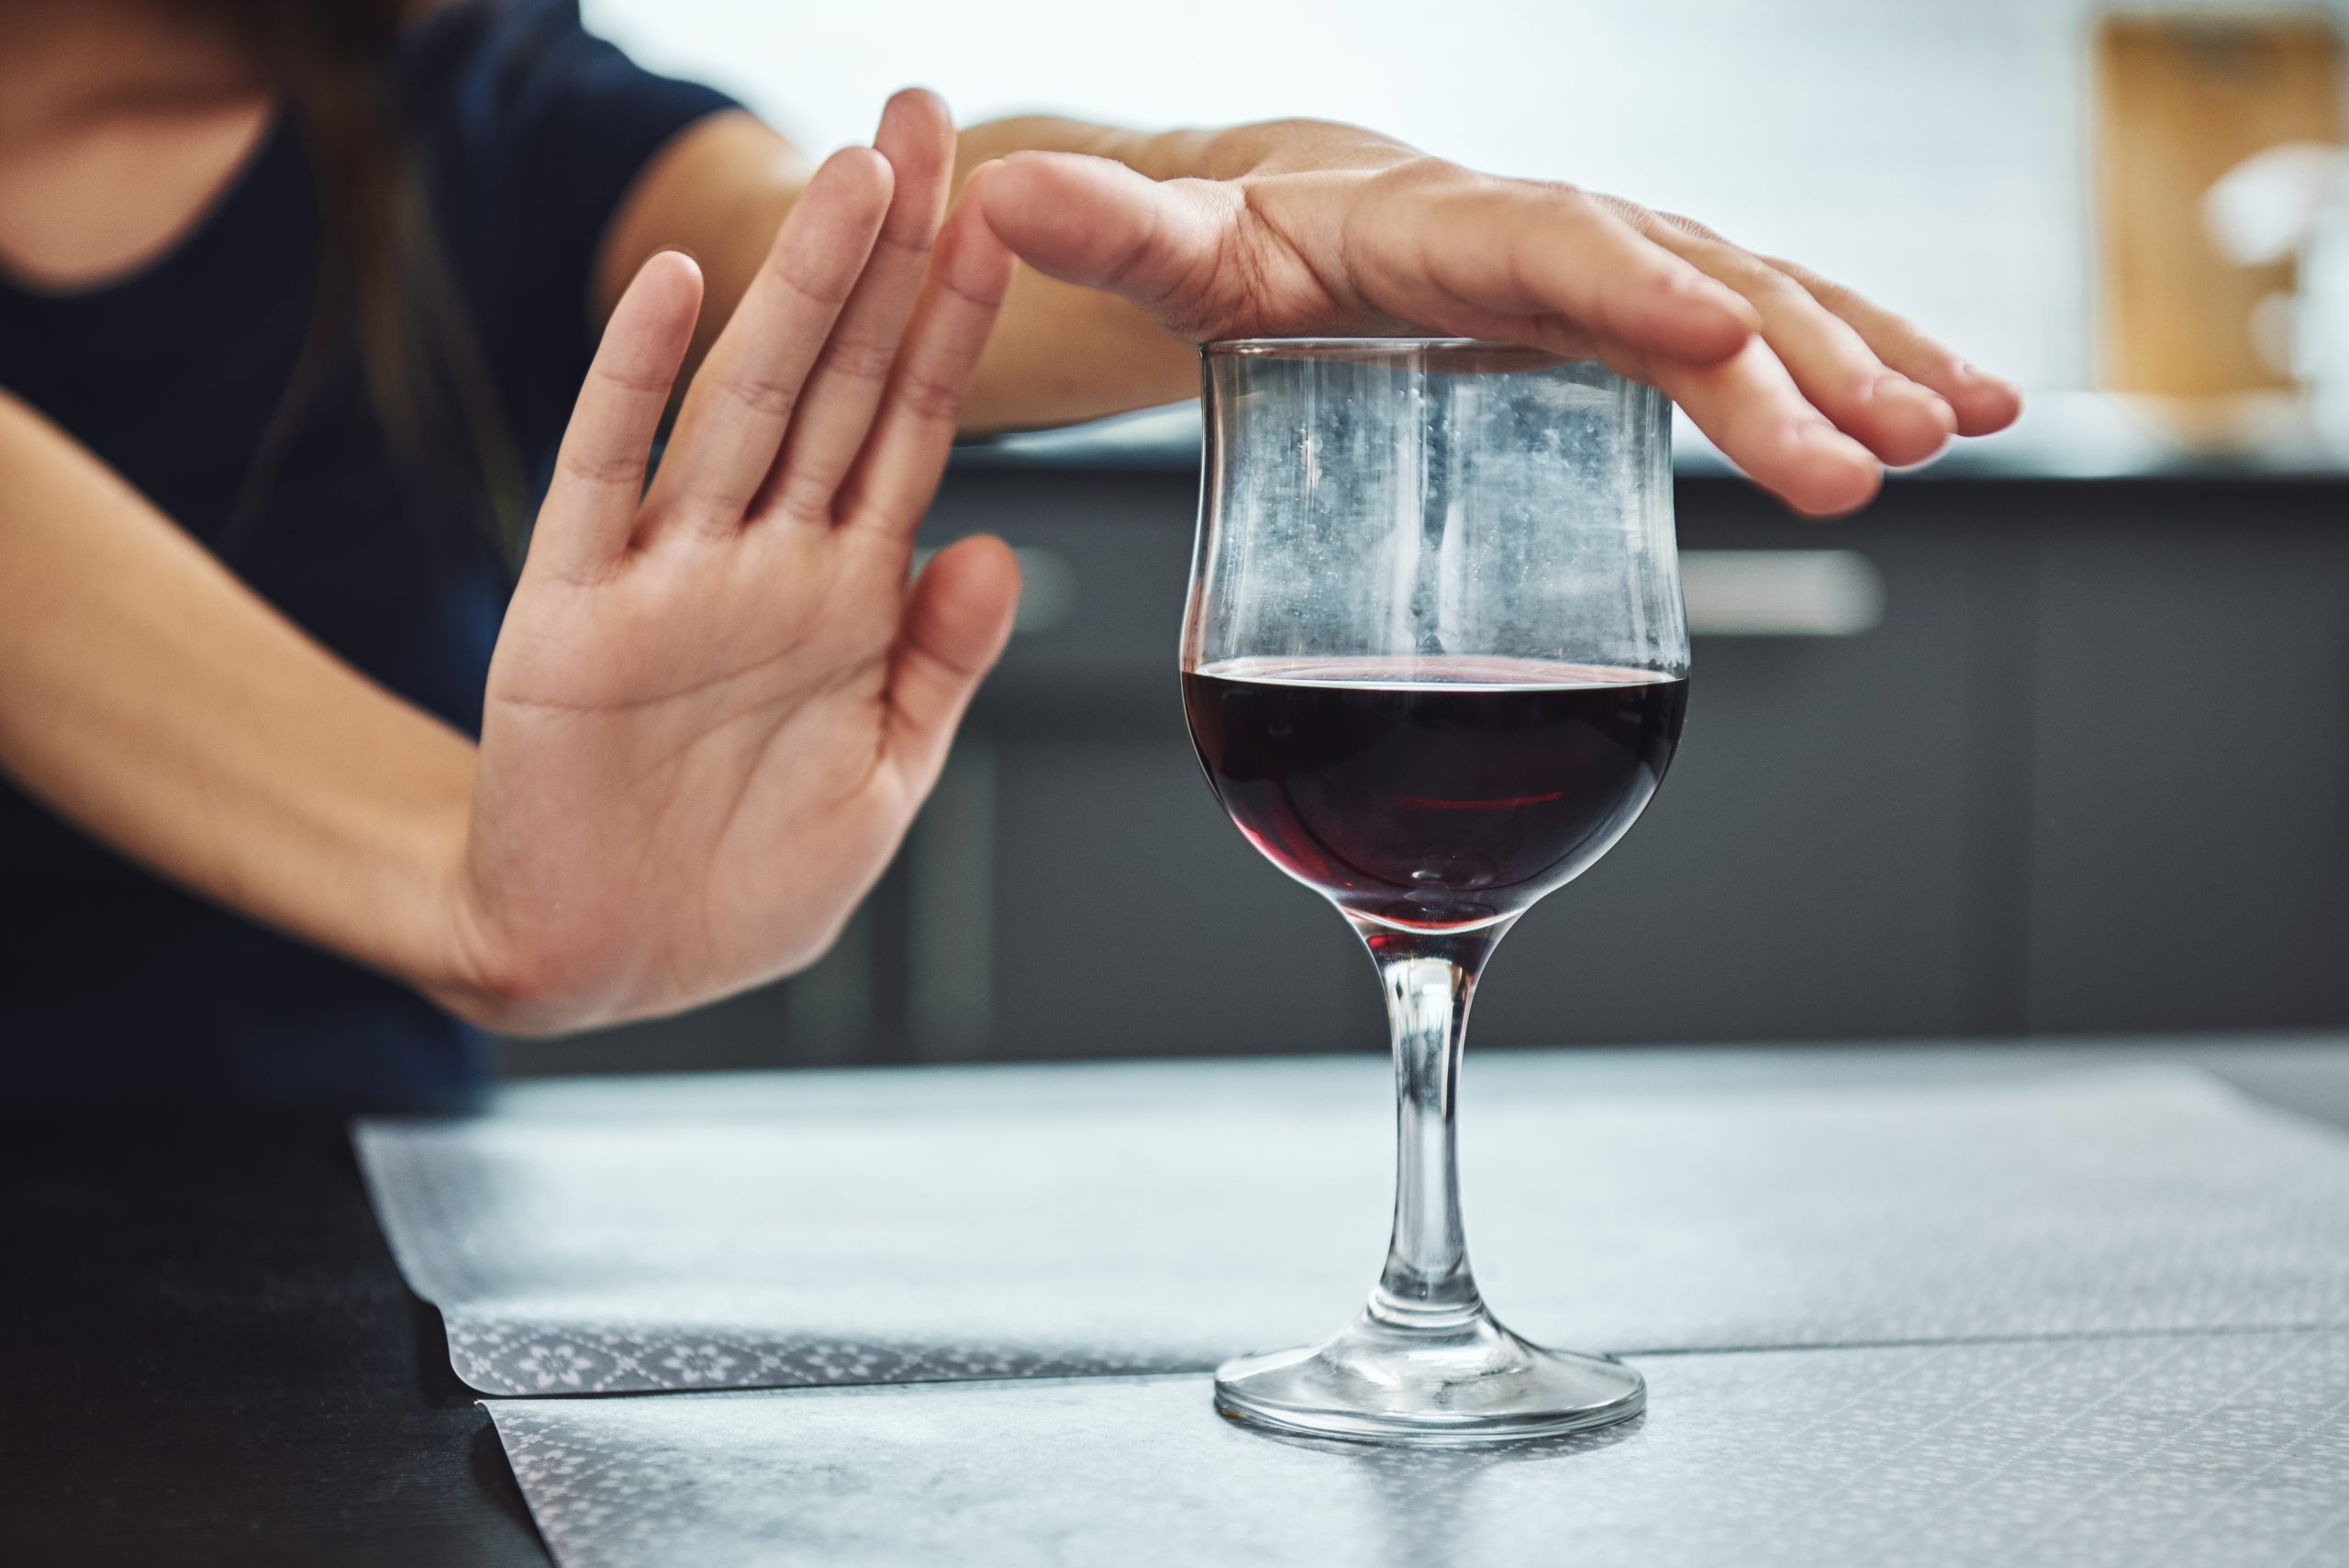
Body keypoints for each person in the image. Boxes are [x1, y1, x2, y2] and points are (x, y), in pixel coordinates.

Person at [0, 0, 2021, 1109]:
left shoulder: (485, 111)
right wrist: (454, 874)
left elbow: (860, 242)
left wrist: (1266, 216)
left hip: (339, 1234)